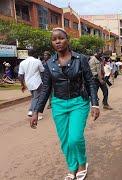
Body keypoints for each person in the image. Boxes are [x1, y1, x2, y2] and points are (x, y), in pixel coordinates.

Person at [32, 28, 100, 180]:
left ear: (67, 39)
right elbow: (46, 89)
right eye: (54, 39)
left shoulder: (80, 59)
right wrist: (36, 110)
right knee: (64, 140)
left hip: (79, 102)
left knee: (74, 138)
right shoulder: (49, 64)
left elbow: (90, 82)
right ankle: (72, 167)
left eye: (61, 38)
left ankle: (82, 163)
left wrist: (94, 104)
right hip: (59, 105)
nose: (57, 41)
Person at [18, 51, 44, 119]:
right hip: (37, 82)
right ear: (35, 55)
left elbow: (20, 75)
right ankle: (33, 112)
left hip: (28, 83)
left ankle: (31, 110)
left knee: (34, 97)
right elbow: (42, 71)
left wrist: (22, 85)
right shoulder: (37, 61)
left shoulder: (22, 63)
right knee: (37, 98)